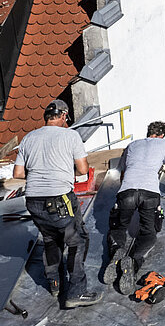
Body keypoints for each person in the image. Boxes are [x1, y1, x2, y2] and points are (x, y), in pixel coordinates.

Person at [12, 99, 102, 308]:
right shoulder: (71, 135)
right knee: (77, 240)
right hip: (59, 198)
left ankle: (55, 284)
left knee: (51, 240)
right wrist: (59, 171)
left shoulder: (28, 137)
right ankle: (76, 293)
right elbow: (82, 169)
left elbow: (18, 173)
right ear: (63, 116)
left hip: (33, 200)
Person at [102, 121, 165, 294]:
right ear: (162, 135)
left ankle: (117, 250)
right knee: (148, 233)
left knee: (118, 228)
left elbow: (123, 173)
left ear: (149, 133)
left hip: (127, 191)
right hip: (149, 194)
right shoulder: (164, 144)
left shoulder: (132, 145)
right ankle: (133, 261)